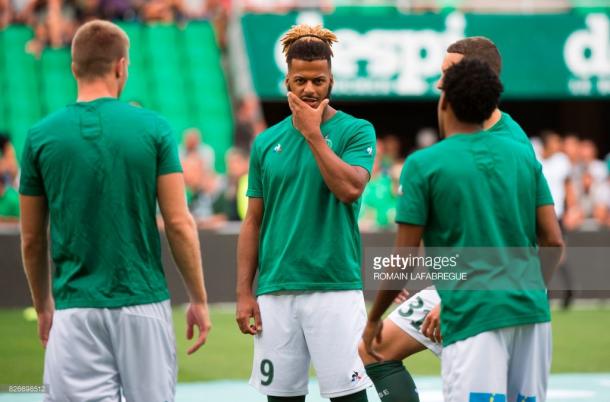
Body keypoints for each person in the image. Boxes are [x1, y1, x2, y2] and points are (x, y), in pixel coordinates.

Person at [357, 37, 559, 402]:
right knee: (373, 350)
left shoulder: (505, 144)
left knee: (374, 346)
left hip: (482, 294)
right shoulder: (511, 146)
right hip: (505, 292)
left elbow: (513, 242)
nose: (439, 84)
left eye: (448, 74)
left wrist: (453, 297)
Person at [19, 20, 211, 402]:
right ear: (122, 66)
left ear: (73, 67)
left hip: (75, 309)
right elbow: (178, 222)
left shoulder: (40, 136)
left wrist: (43, 306)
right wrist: (199, 299)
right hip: (144, 303)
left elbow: (31, 240)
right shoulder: (154, 128)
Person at [236, 24, 376, 402]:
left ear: (331, 80)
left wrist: (313, 135)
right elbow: (253, 221)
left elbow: (349, 189)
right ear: (287, 80)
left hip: (335, 287)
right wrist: (243, 292)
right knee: (281, 399)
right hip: (275, 291)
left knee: (349, 395)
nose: (310, 89)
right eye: (300, 80)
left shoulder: (356, 131)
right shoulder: (266, 142)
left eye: (319, 80)